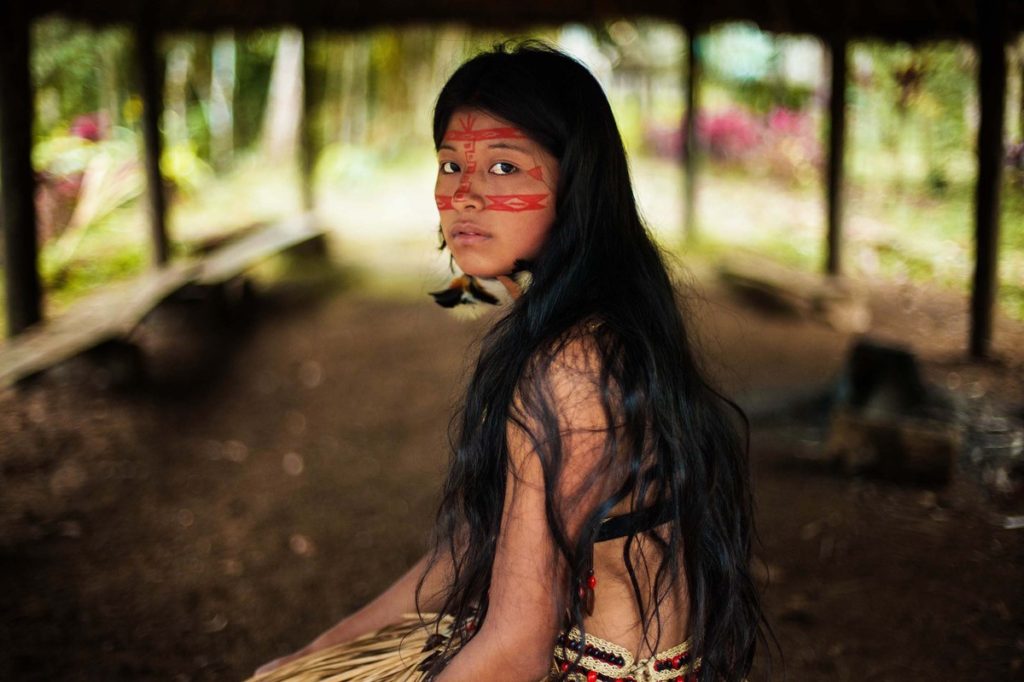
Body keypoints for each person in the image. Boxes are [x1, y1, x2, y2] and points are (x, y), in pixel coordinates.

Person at [252, 41, 765, 682]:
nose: (463, 195)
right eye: (448, 166)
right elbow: (469, 547)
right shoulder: (577, 322)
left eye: (502, 168)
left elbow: (517, 651)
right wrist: (317, 656)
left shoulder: (574, 366)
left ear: (573, 185)